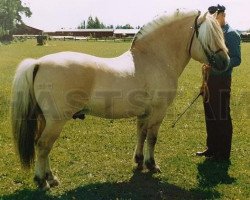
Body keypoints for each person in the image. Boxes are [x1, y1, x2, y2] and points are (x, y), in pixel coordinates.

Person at [196, 5, 241, 160]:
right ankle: (212, 148)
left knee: (221, 116)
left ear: (222, 15)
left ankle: (223, 153)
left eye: (215, 16)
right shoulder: (213, 32)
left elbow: (237, 59)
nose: (213, 20)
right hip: (209, 80)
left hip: (222, 80)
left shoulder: (231, 34)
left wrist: (221, 66)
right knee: (210, 114)